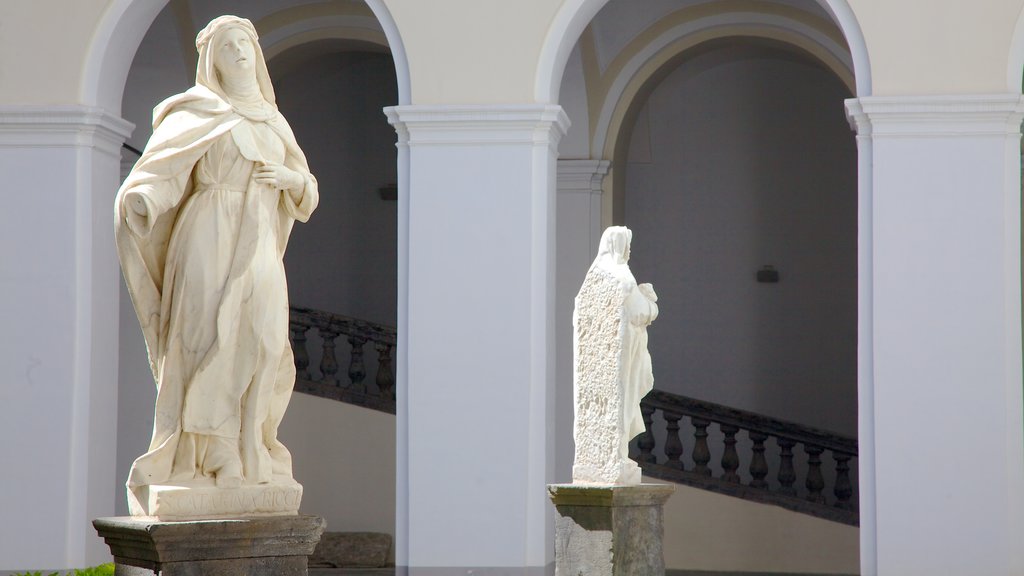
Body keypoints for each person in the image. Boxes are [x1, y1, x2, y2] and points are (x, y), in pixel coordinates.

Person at [115, 15, 318, 516]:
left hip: (259, 239)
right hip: (208, 230)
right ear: (214, 61)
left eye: (245, 44)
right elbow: (164, 172)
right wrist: (143, 199)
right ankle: (214, 453)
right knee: (206, 338)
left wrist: (290, 178)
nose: (241, 54)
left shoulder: (273, 121)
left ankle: (254, 443)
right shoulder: (198, 113)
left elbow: (307, 193)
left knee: (266, 338)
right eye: (228, 47)